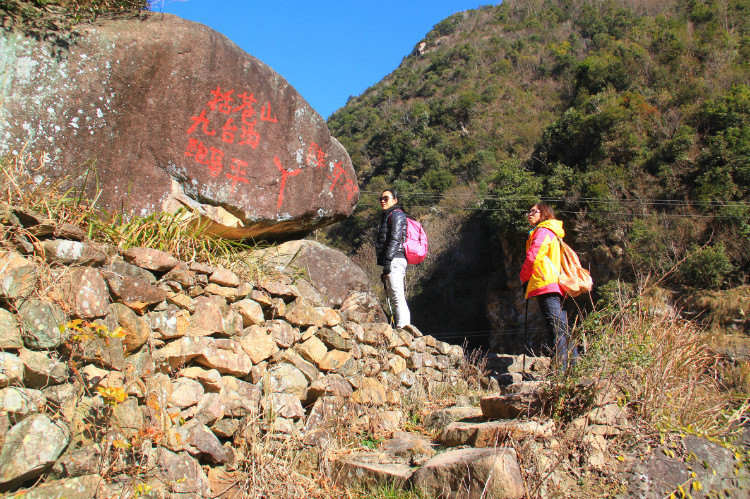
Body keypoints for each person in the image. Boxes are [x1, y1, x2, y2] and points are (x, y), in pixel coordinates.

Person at [519, 203, 577, 370]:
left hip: (546, 284)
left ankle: (561, 370)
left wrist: (524, 278)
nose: (529, 214)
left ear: (543, 213)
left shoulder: (543, 231)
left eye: (533, 211)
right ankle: (573, 368)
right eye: (528, 211)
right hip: (556, 284)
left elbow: (533, 257)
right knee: (562, 328)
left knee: (556, 329)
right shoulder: (553, 231)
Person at [375, 188, 411, 328]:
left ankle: (404, 329)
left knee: (397, 295)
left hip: (395, 259)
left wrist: (388, 261)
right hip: (393, 259)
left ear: (395, 200)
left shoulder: (396, 214)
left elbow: (395, 238)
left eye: (386, 198)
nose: (382, 201)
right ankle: (401, 327)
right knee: (394, 295)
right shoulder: (389, 215)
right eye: (381, 198)